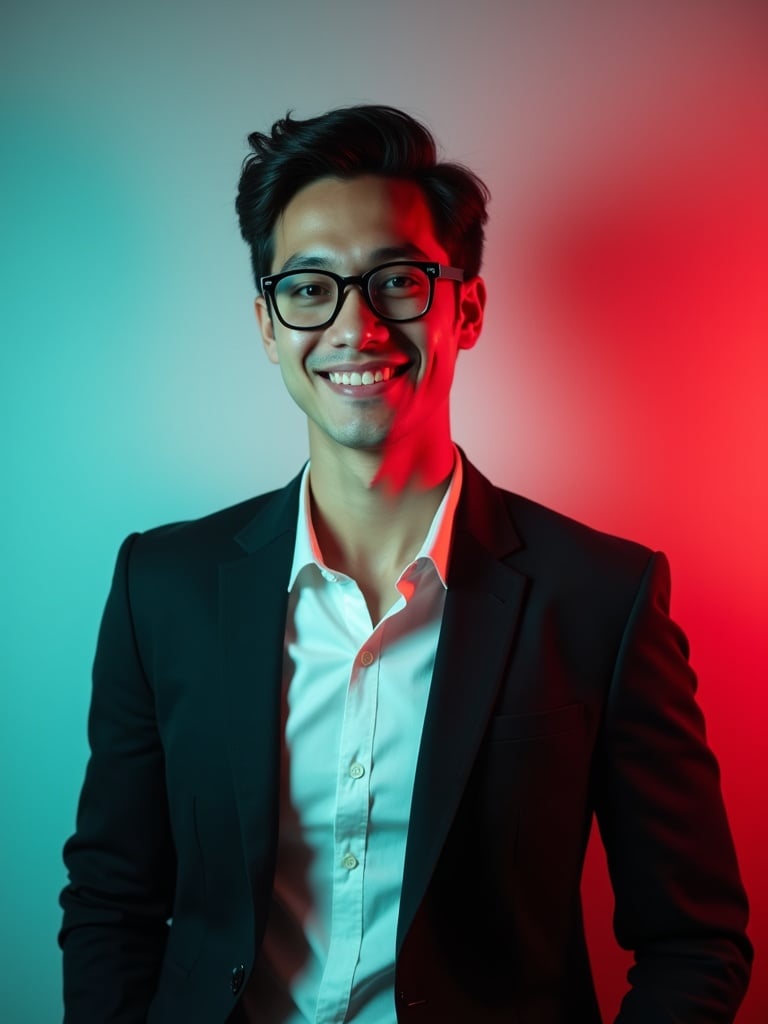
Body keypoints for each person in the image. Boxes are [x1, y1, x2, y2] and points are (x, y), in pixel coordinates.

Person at [59, 105, 752, 1023]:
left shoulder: (600, 598)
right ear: (268, 324)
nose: (354, 326)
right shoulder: (164, 587)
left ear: (466, 309)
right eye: (309, 287)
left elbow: (694, 940)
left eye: (398, 281)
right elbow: (114, 901)